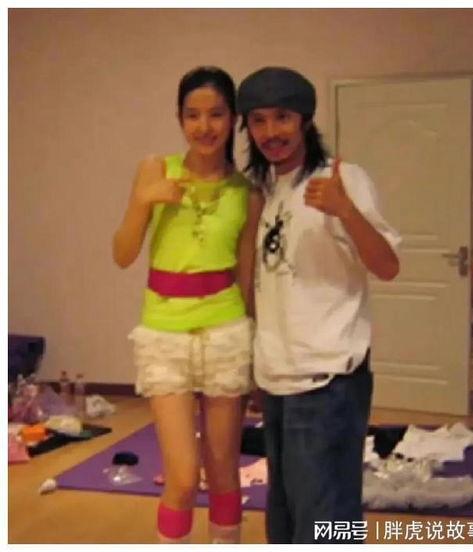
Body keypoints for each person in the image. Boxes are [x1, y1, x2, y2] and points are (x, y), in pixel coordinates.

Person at [237, 67, 401, 544]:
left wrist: (346, 210)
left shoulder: (342, 179)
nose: (271, 132)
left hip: (328, 380)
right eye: (259, 120)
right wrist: (256, 369)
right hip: (277, 379)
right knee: (286, 516)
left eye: (283, 118)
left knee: (326, 521)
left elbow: (387, 266)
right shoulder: (265, 190)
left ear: (305, 120)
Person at [112, 66, 254, 544]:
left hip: (227, 329)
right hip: (164, 331)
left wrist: (255, 350)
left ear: (233, 119)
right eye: (192, 115)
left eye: (216, 114)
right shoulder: (156, 169)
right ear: (179, 119)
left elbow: (247, 275)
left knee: (224, 471)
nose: (204, 126)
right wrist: (144, 201)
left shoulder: (247, 191)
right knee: (183, 474)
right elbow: (122, 254)